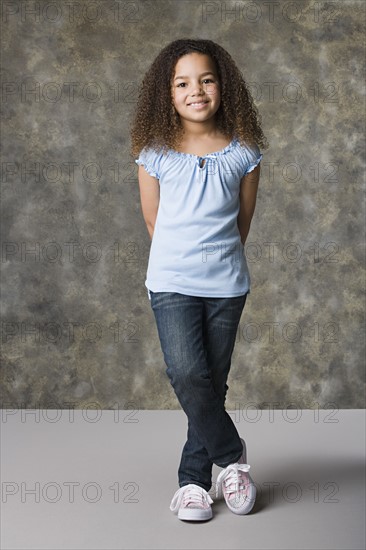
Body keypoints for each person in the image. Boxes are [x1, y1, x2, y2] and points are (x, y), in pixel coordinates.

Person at [130, 38, 269, 522]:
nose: (196, 91)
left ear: (222, 86)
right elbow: (153, 222)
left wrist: (218, 264)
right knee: (188, 375)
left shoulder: (243, 151)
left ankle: (193, 482)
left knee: (212, 383)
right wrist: (183, 265)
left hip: (226, 285)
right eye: (182, 83)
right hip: (171, 282)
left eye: (206, 80)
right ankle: (231, 457)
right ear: (165, 94)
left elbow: (242, 222)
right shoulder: (155, 152)